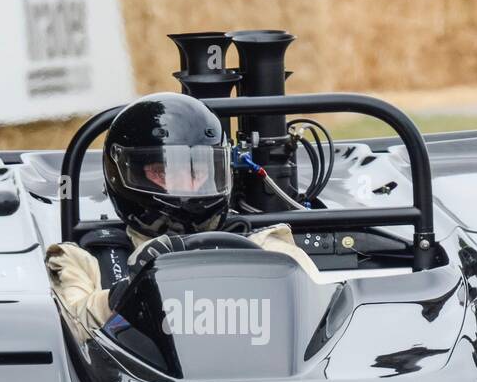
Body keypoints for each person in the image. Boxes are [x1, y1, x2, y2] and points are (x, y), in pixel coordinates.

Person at [46, 92, 317, 341]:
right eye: (163, 171)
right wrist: (132, 289)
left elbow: (319, 309)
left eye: (197, 170)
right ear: (127, 173)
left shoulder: (266, 246)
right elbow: (73, 328)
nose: (187, 185)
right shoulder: (84, 260)